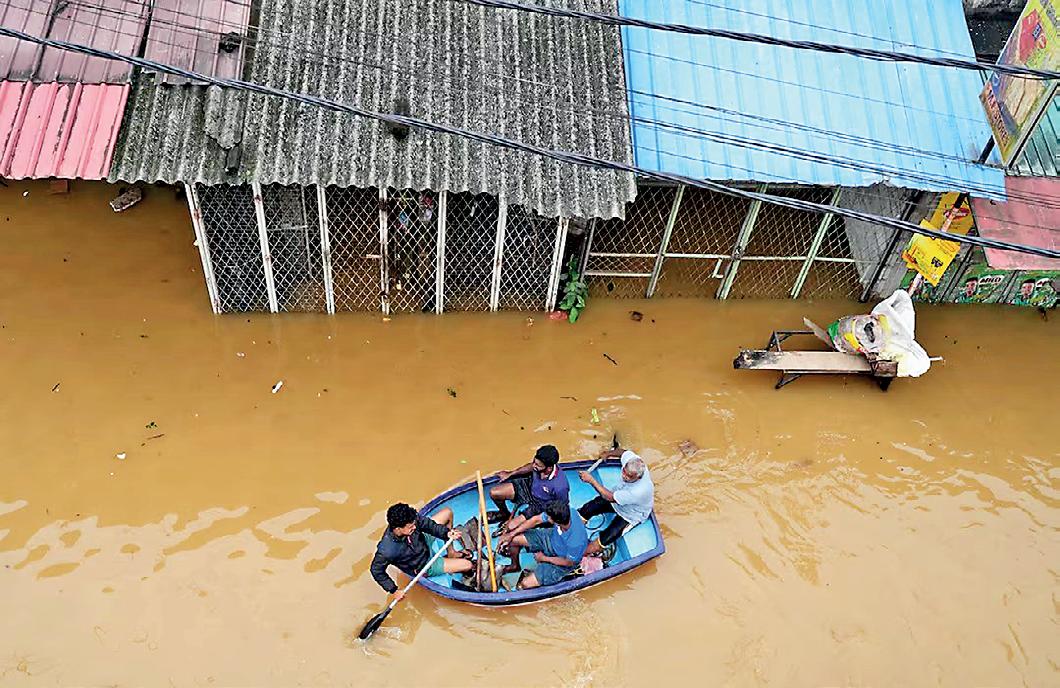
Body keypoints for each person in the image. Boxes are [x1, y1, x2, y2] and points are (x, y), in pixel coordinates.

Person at [369, 503, 473, 601]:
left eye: (414, 524)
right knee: (468, 565)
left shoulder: (411, 520)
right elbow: (376, 570)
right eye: (410, 527)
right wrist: (393, 590)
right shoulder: (387, 550)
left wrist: (447, 533)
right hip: (424, 565)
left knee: (447, 512)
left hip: (422, 542)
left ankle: (451, 552)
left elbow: (428, 525)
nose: (414, 527)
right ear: (398, 529)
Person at [578, 446, 654, 558]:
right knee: (588, 508)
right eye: (624, 471)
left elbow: (609, 497)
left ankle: (580, 555)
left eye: (629, 476)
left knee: (607, 538)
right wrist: (608, 453)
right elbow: (623, 452)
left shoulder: (639, 491)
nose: (624, 476)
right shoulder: (632, 461)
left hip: (631, 514)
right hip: (617, 498)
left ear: (638, 478)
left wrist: (591, 480)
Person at [497, 499, 588, 589]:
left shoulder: (576, 541)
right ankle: (515, 566)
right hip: (551, 538)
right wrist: (511, 534)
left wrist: (544, 558)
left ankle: (564, 577)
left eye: (548, 517)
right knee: (513, 539)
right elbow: (536, 520)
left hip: (563, 561)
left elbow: (568, 562)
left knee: (525, 584)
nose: (546, 518)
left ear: (556, 521)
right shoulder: (568, 512)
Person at [488, 445, 569, 532]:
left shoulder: (560, 486)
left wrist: (544, 518)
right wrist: (511, 473)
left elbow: (562, 507)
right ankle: (504, 514)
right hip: (529, 486)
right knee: (494, 493)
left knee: (511, 527)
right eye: (534, 461)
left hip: (540, 505)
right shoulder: (538, 466)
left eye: (537, 465)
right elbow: (530, 467)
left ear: (549, 468)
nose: (533, 465)